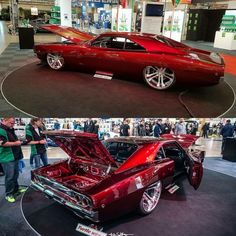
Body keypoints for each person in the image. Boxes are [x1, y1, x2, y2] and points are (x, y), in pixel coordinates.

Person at [0, 118, 26, 203]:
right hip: (7, 157)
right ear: (4, 120)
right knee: (9, 177)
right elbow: (2, 143)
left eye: (14, 123)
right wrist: (16, 143)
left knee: (15, 174)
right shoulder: (1, 130)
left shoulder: (10, 129)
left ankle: (16, 189)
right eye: (11, 123)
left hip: (15, 156)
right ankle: (8, 194)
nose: (13, 124)